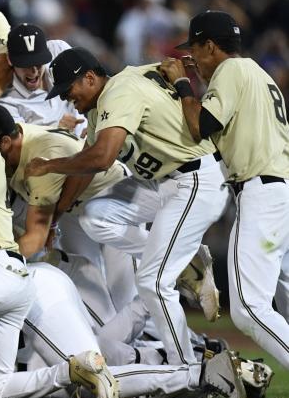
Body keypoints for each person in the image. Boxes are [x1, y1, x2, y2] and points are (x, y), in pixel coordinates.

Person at [25, 47, 228, 371]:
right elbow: (88, 164)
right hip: (163, 182)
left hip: (195, 178)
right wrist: (55, 218)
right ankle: (185, 263)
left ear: (89, 78)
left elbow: (102, 158)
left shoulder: (118, 90)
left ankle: (187, 370)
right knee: (95, 216)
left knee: (152, 280)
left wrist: (50, 165)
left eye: (68, 88)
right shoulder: (106, 101)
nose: (66, 98)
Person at [162, 11, 289, 386]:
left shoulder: (231, 71)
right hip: (279, 191)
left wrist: (183, 85)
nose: (193, 60)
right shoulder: (258, 74)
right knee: (283, 301)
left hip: (264, 195)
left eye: (195, 51)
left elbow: (200, 126)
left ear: (210, 46)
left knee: (248, 308)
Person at [0, 23, 85, 135]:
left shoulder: (58, 51)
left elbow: (89, 83)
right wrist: (56, 128)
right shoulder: (5, 101)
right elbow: (20, 141)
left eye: (38, 62)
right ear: (10, 60)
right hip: (57, 144)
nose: (34, 70)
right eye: (26, 64)